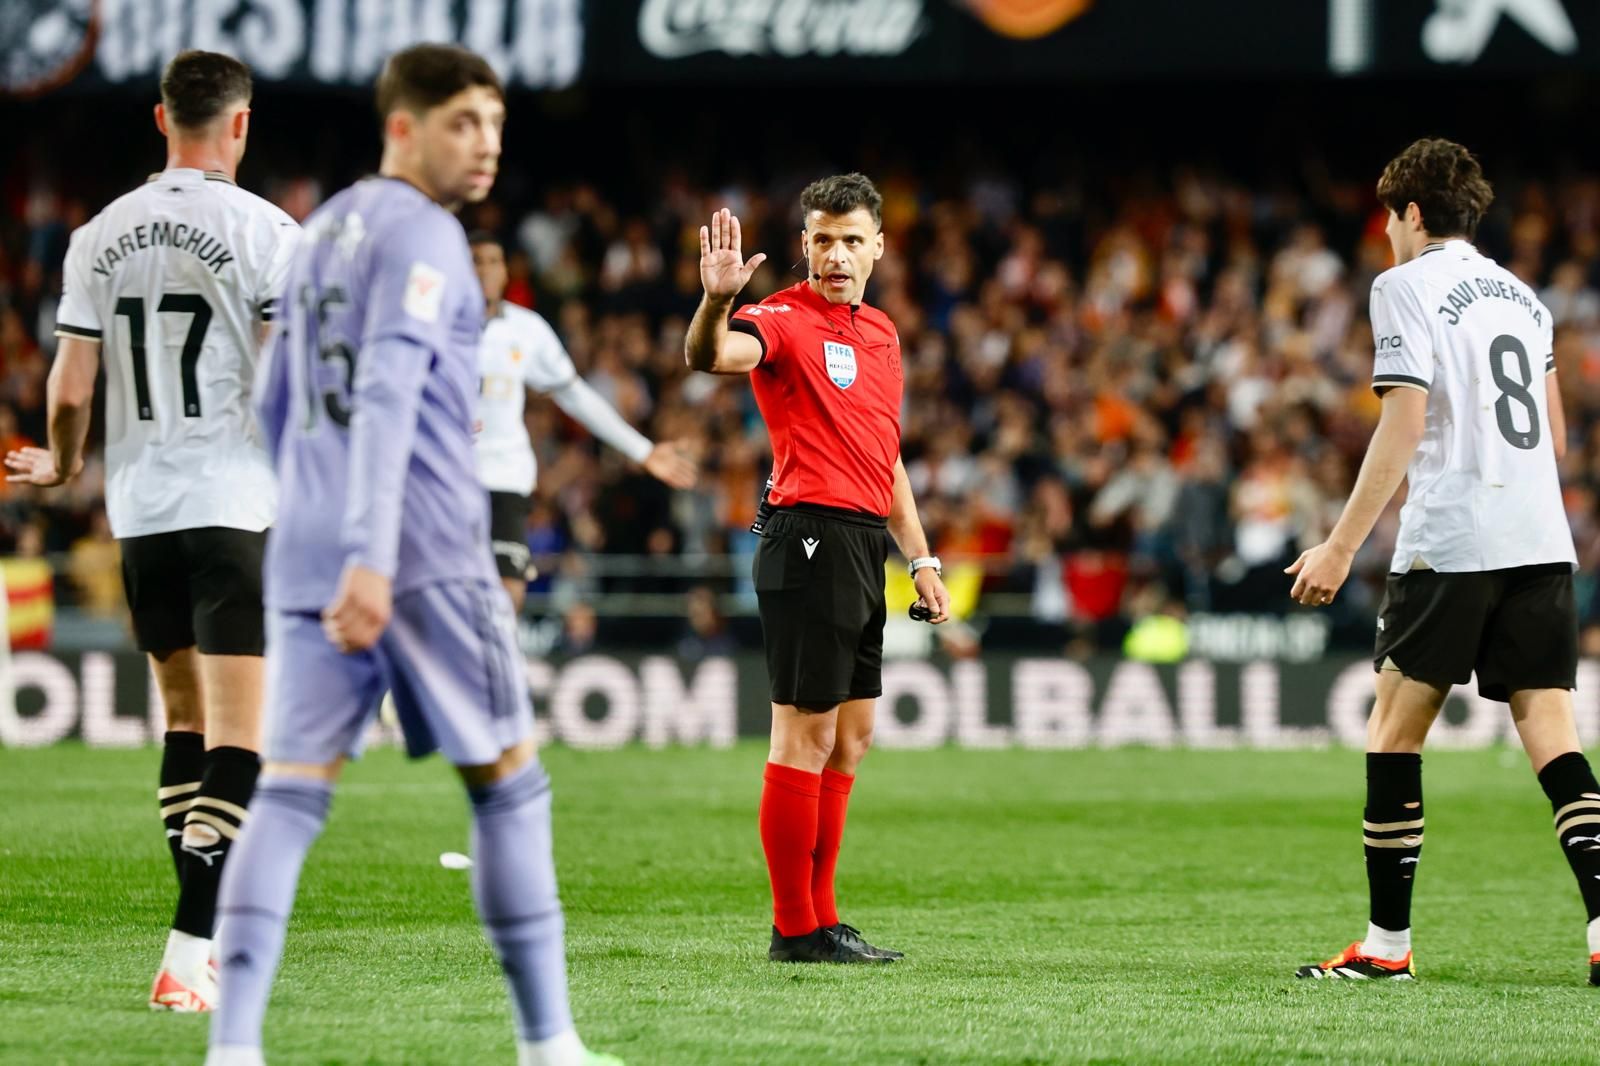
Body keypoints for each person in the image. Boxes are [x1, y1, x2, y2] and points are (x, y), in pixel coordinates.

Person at [203, 44, 620, 1065]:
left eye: (494, 126)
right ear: (404, 125)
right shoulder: (428, 234)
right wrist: (371, 553)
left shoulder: (323, 230)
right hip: (418, 547)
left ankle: (234, 1046)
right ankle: (548, 1043)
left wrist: (314, 524)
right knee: (509, 785)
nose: (485, 146)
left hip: (306, 546)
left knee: (290, 793)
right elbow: (389, 392)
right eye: (463, 123)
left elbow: (274, 398)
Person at [6, 49, 299, 1011]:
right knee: (243, 740)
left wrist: (63, 462)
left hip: (140, 512)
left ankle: (196, 945)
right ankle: (190, 947)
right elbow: (285, 381)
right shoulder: (266, 232)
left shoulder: (97, 234)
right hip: (231, 504)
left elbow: (71, 386)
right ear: (241, 124)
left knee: (183, 721)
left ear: (161, 117)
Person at [1287, 138, 1600, 985]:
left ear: (1413, 213)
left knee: (1394, 736)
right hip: (1540, 538)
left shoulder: (1404, 286)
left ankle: (1387, 947)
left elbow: (1403, 420)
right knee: (1552, 736)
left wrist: (1341, 545)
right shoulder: (1525, 300)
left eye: (1389, 218)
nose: (1387, 235)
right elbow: (1558, 437)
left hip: (1455, 540)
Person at [685, 174, 951, 964]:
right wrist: (714, 302)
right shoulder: (781, 318)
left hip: (866, 541)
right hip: (806, 535)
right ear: (804, 245)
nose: (835, 255)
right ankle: (794, 928)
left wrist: (923, 559)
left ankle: (822, 917)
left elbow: (886, 456)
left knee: (853, 737)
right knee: (803, 735)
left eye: (850, 240)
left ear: (878, 246)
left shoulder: (883, 335)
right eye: (822, 240)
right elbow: (711, 357)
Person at [469, 231, 695, 612]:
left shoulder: (525, 329)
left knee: (506, 599)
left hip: (504, 478)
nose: (486, 270)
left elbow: (574, 394)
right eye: (476, 261)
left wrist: (642, 449)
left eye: (494, 261)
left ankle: (493, 671)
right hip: (445, 476)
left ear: (506, 271)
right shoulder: (434, 324)